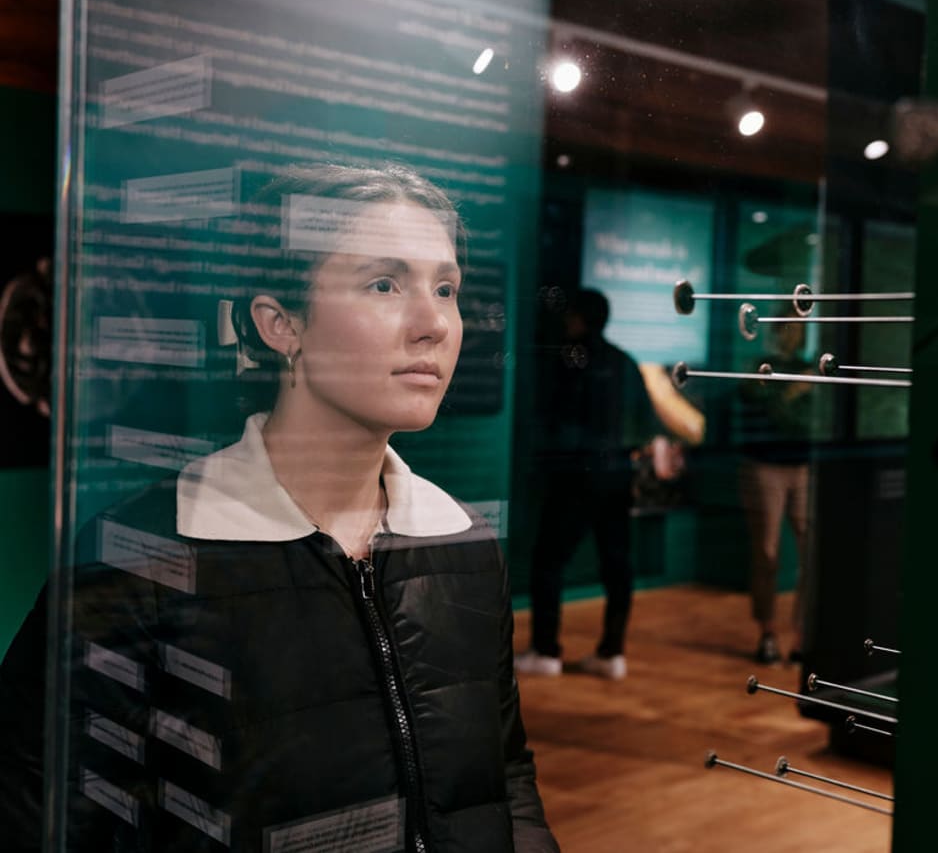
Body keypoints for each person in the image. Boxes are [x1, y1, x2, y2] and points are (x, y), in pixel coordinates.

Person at [0, 163, 559, 852]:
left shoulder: (464, 542)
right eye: (384, 284)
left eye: (445, 288)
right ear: (280, 324)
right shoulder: (141, 557)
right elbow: (43, 819)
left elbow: (502, 778)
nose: (434, 324)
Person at [514, 288, 674, 681]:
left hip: (575, 476)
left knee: (549, 561)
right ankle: (611, 652)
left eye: (569, 313)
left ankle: (546, 650)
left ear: (581, 318)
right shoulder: (624, 362)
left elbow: (555, 420)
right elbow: (643, 427)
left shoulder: (570, 362)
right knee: (617, 565)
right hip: (617, 477)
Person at [738, 308, 813, 665]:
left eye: (797, 328)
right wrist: (793, 393)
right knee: (766, 553)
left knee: (811, 553)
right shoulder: (760, 368)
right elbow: (766, 410)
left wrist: (794, 394)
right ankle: (767, 633)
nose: (791, 335)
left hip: (802, 468)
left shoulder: (811, 369)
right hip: (764, 467)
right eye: (786, 328)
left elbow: (806, 425)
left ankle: (801, 636)